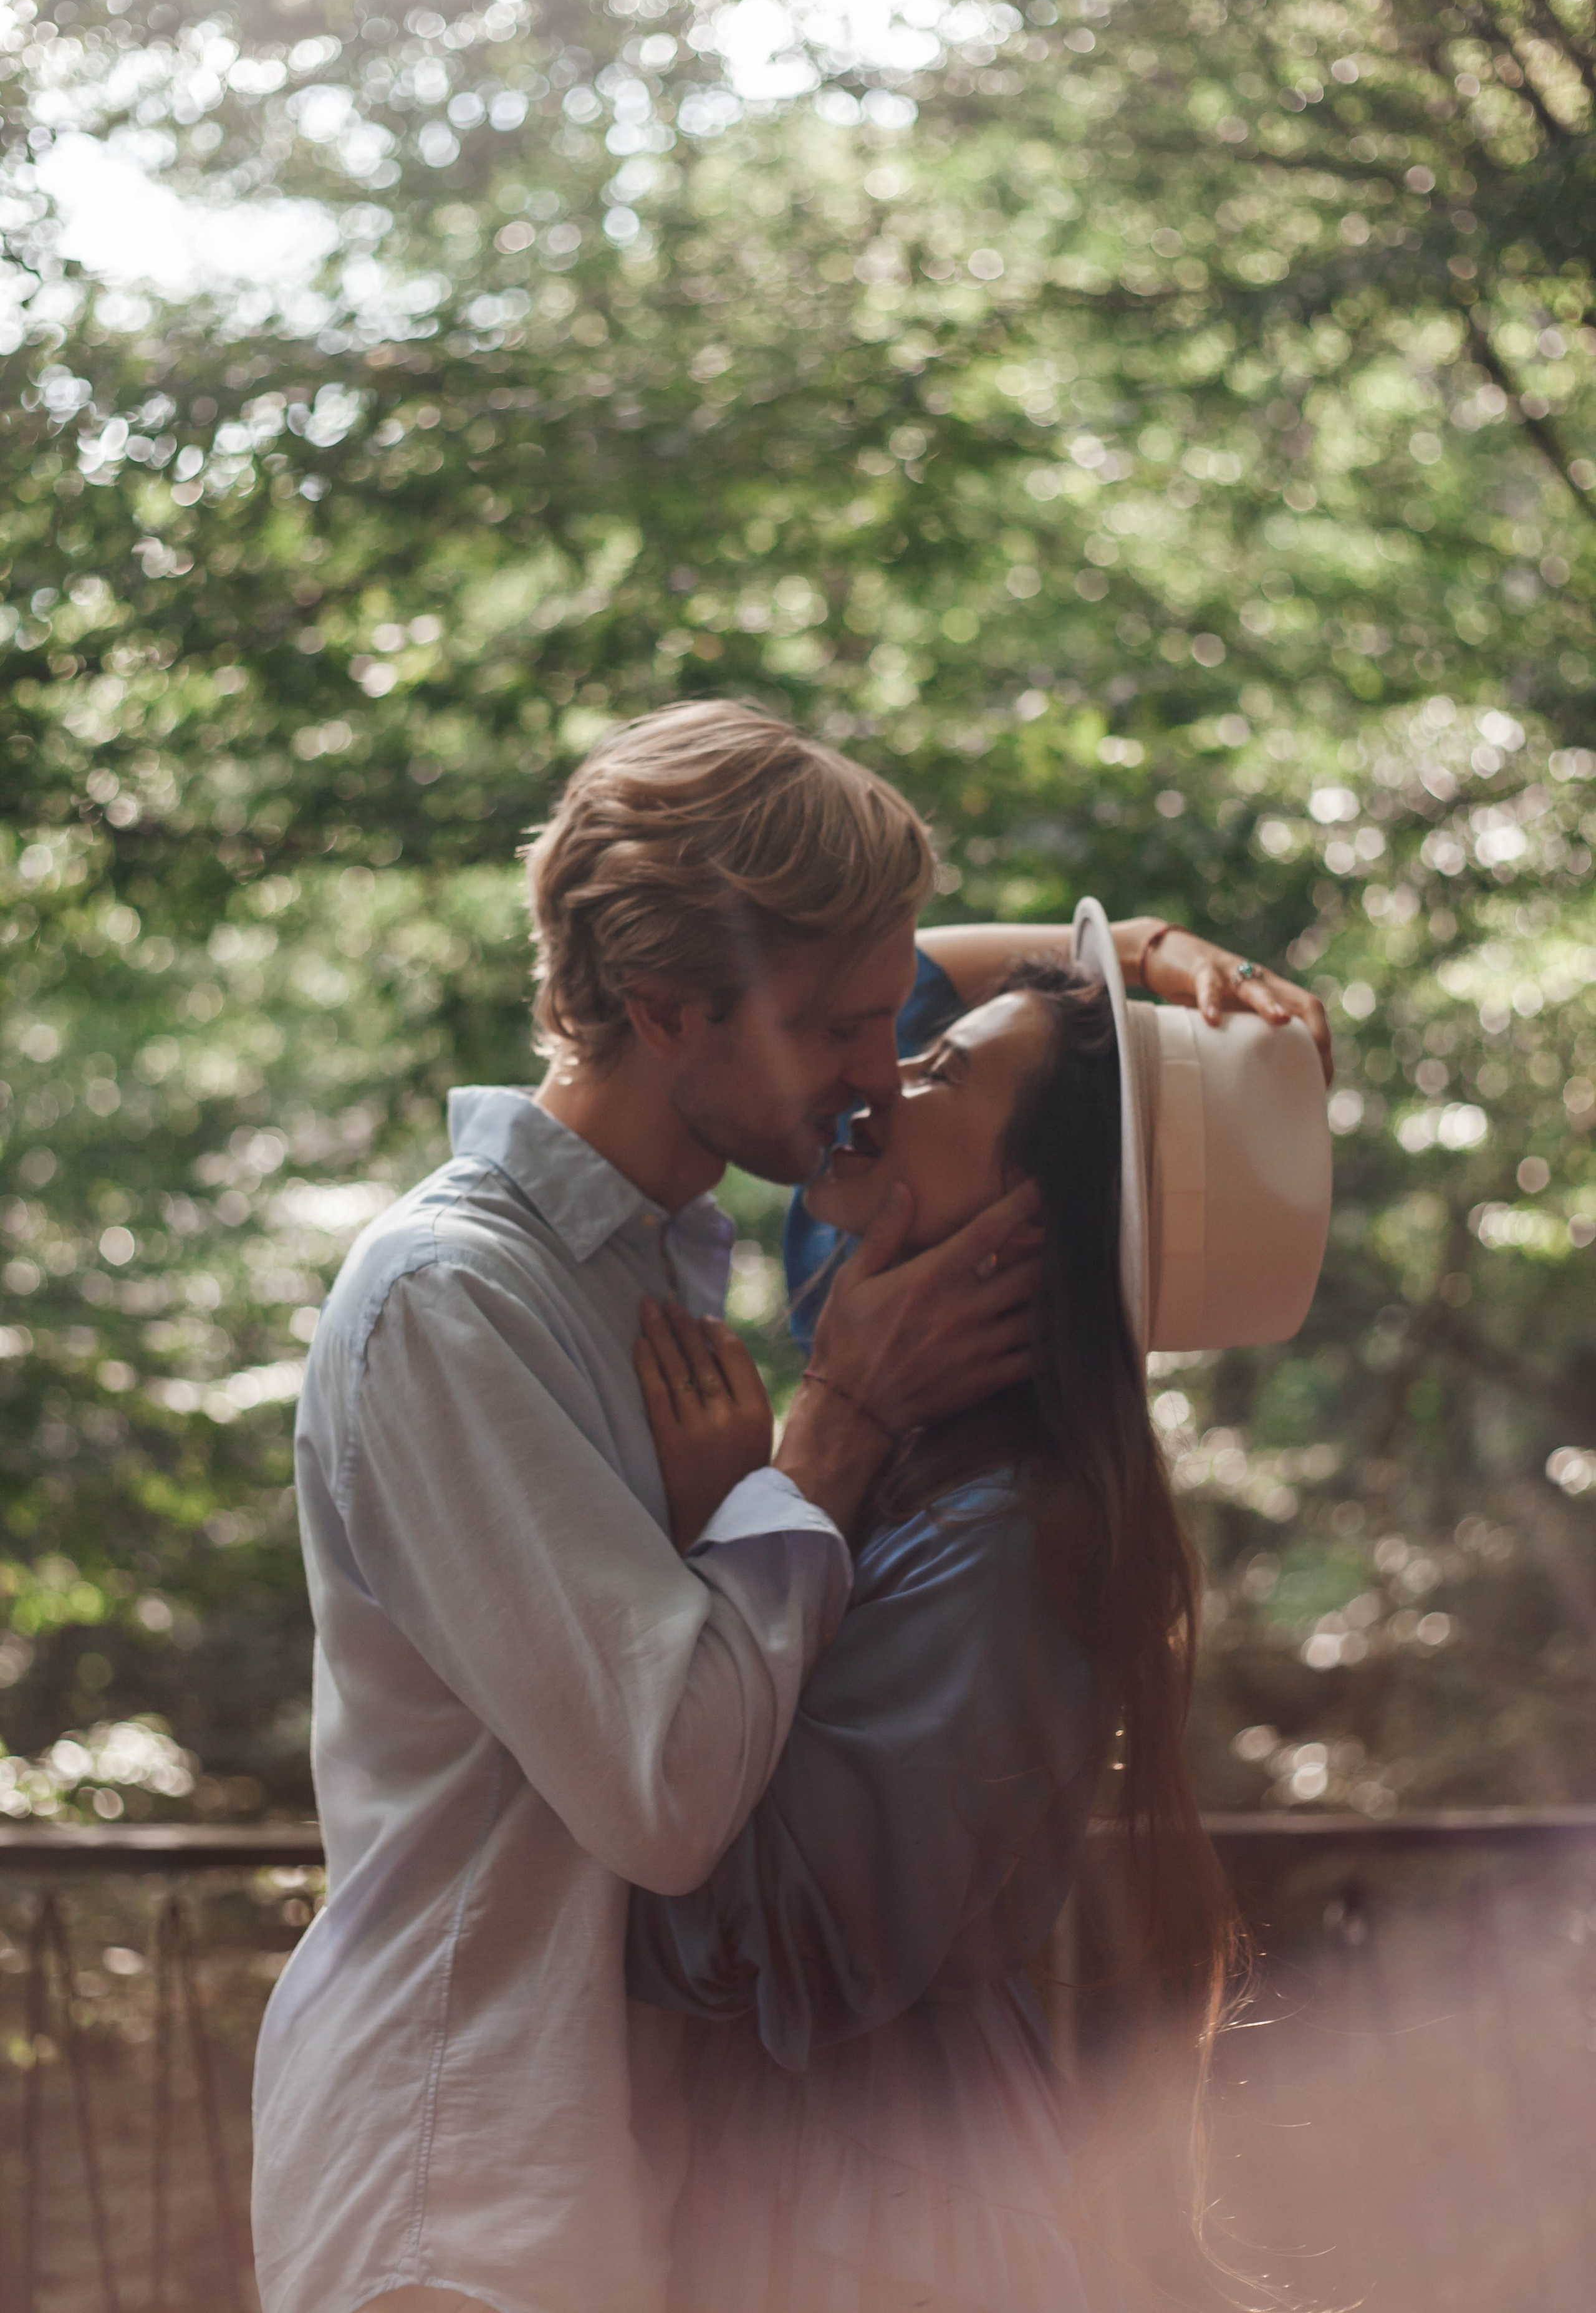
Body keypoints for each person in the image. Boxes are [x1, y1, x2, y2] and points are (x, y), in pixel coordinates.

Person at [251, 699, 1327, 2313]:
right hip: (471, 2184)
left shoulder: (688, 1246)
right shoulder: (454, 1301)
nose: (878, 1072)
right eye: (841, 1026)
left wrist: (1141, 956)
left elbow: (944, 1059)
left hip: (643, 2176)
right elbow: (675, 1804)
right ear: (668, 1010)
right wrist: (817, 1451)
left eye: (894, 1022)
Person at [625, 899, 1332, 2313]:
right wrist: (1122, 949)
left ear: (1026, 1232)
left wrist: (731, 1524)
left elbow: (764, 1943)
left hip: (872, 2229)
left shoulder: (1005, 1541)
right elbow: (805, 1018)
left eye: (942, 1069)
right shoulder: (885, 1312)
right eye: (912, 1048)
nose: (880, 1075)